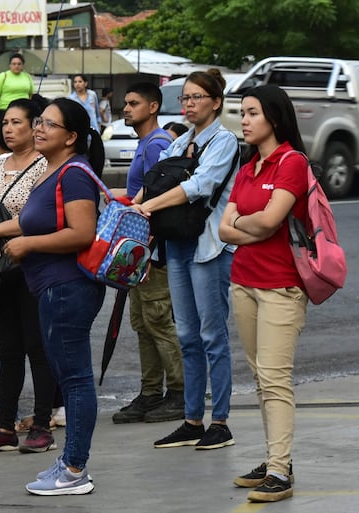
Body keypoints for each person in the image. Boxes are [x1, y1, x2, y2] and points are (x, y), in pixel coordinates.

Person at [3, 98, 106, 495]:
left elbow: (82, 232)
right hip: (53, 287)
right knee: (70, 376)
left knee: (76, 381)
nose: (40, 128)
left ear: (72, 137)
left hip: (69, 287)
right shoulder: (52, 170)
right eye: (40, 121)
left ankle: (75, 469)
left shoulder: (75, 174)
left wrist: (27, 245)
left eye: (50, 124)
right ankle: (68, 462)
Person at [132, 69, 239, 450]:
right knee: (186, 336)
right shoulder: (179, 144)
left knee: (213, 336)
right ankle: (193, 419)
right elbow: (157, 178)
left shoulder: (224, 141)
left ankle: (220, 421)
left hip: (208, 248)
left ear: (216, 102)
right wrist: (134, 203)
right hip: (175, 245)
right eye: (186, 98)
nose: (189, 104)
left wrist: (149, 204)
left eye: (197, 97)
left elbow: (199, 187)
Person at [218, 85, 308, 503]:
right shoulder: (247, 167)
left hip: (281, 287)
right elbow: (223, 229)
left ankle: (279, 471)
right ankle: (277, 460)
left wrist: (245, 223)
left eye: (252, 112)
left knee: (275, 379)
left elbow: (270, 222)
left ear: (274, 116)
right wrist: (247, 225)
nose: (245, 120)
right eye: (242, 113)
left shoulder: (292, 163)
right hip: (244, 281)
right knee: (260, 378)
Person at [0, 98, 56, 455]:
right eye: (5, 122)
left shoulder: (44, 166)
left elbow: (34, 218)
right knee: (6, 348)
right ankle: (4, 425)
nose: (8, 128)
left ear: (34, 126)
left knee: (37, 345)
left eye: (17, 122)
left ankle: (41, 423)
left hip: (29, 263)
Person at [111, 82, 184, 425]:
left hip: (152, 250)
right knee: (142, 322)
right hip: (139, 250)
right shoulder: (146, 144)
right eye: (125, 103)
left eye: (133, 102)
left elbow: (158, 197)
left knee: (157, 319)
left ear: (153, 107)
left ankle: (180, 393)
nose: (126, 108)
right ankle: (151, 392)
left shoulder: (158, 145)